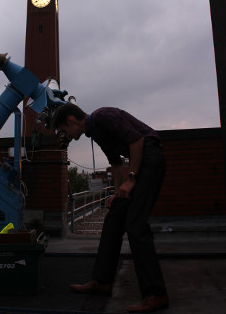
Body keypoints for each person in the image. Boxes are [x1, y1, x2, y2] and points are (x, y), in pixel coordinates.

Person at [51, 104, 169, 313]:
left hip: (150, 158)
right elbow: (116, 165)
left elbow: (137, 140)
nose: (66, 136)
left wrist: (131, 180)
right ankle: (102, 282)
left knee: (135, 225)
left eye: (63, 130)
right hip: (138, 163)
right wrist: (116, 193)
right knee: (114, 219)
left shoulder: (103, 116)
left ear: (70, 120)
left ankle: (156, 294)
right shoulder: (96, 133)